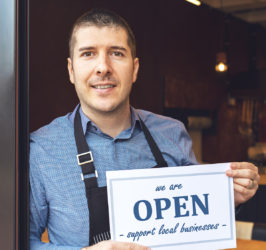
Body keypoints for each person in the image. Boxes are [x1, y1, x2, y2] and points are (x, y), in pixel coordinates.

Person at [29, 9, 260, 250]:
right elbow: (21, 241)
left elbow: (198, 230)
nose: (103, 67)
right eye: (88, 54)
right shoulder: (41, 148)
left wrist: (226, 198)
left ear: (135, 69)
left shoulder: (173, 133)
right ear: (71, 70)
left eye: (116, 53)